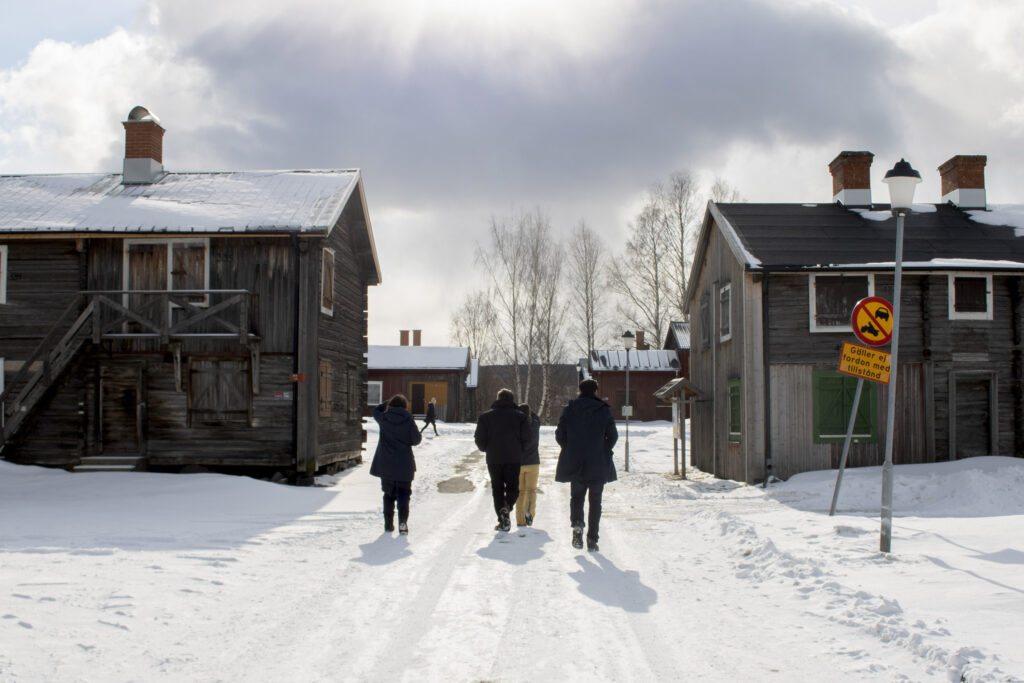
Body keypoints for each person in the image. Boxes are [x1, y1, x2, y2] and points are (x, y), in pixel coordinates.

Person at [555, 379, 618, 552]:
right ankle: (592, 539)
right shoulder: (603, 411)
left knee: (576, 497)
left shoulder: (570, 410)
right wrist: (603, 450)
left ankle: (577, 523)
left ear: (580, 391)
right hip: (597, 463)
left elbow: (560, 435)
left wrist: (570, 449)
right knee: (595, 501)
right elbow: (612, 436)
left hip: (576, 462)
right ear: (596, 391)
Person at [474, 388, 530, 532]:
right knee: (513, 487)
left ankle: (502, 519)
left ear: (498, 399)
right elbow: (527, 439)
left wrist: (487, 448)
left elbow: (479, 439)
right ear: (512, 400)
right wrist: (519, 449)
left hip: (494, 458)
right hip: (513, 458)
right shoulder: (521, 417)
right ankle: (507, 507)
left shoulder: (485, 417)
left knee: (497, 488)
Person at [370, 394, 422, 536]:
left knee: (388, 494)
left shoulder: (384, 418)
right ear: (405, 406)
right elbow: (416, 440)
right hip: (404, 464)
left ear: (390, 406)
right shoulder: (408, 419)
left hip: (386, 464)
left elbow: (375, 411)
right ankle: (403, 522)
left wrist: (385, 403)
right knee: (404, 495)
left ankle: (388, 524)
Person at [515, 402, 542, 528]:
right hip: (533, 462)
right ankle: (529, 513)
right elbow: (537, 418)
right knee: (531, 490)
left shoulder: (515, 426)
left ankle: (520, 521)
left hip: (518, 463)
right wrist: (531, 412)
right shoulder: (535, 425)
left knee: (520, 492)